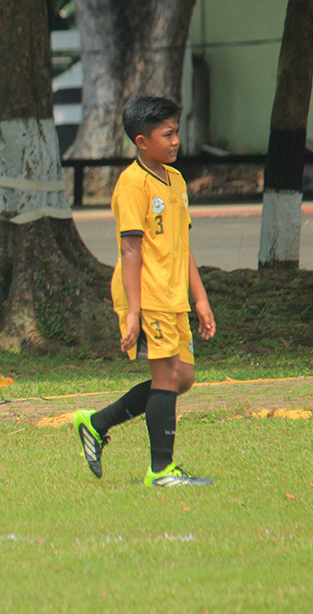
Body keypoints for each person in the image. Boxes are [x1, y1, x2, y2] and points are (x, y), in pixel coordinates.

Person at [72, 95, 216, 487]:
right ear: (142, 141)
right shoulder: (132, 184)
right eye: (167, 134)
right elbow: (130, 250)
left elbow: (182, 244)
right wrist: (133, 311)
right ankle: (162, 470)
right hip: (147, 294)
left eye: (176, 132)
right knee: (166, 375)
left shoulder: (177, 181)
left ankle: (96, 423)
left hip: (173, 295)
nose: (175, 141)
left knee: (183, 377)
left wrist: (200, 298)